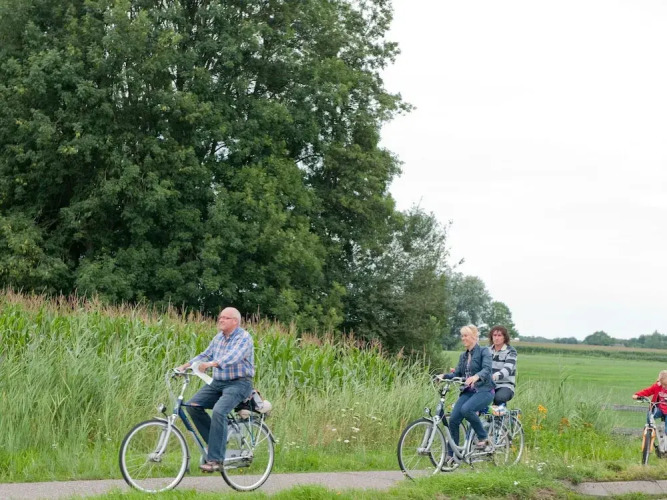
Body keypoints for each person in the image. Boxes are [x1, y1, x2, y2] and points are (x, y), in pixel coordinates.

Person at [176, 307, 254, 472]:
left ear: (235, 321)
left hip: (239, 383)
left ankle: (216, 460)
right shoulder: (218, 338)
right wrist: (185, 366)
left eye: (225, 318)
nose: (221, 320)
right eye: (220, 317)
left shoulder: (244, 337)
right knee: (193, 406)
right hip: (218, 382)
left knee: (219, 411)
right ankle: (216, 443)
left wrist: (211, 364)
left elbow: (233, 356)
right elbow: (205, 355)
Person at [439, 325, 494, 458]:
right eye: (462, 335)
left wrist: (476, 377)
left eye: (466, 335)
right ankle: (452, 455)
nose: (463, 338)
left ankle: (483, 437)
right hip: (468, 392)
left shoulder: (484, 351)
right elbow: (457, 374)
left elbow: (487, 369)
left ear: (474, 336)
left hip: (485, 390)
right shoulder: (463, 356)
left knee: (466, 409)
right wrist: (444, 376)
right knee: (453, 419)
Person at [488, 325, 518, 406]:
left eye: (499, 335)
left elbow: (507, 369)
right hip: (488, 384)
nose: (496, 338)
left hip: (505, 385)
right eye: (494, 335)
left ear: (504, 337)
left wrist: (495, 376)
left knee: (499, 398)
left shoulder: (511, 351)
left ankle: (501, 413)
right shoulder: (487, 350)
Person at [632, 370, 667, 435]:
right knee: (651, 415)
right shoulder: (657, 386)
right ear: (660, 381)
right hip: (659, 409)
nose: (664, 387)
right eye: (663, 384)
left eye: (666, 385)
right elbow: (648, 391)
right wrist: (637, 395)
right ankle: (649, 428)